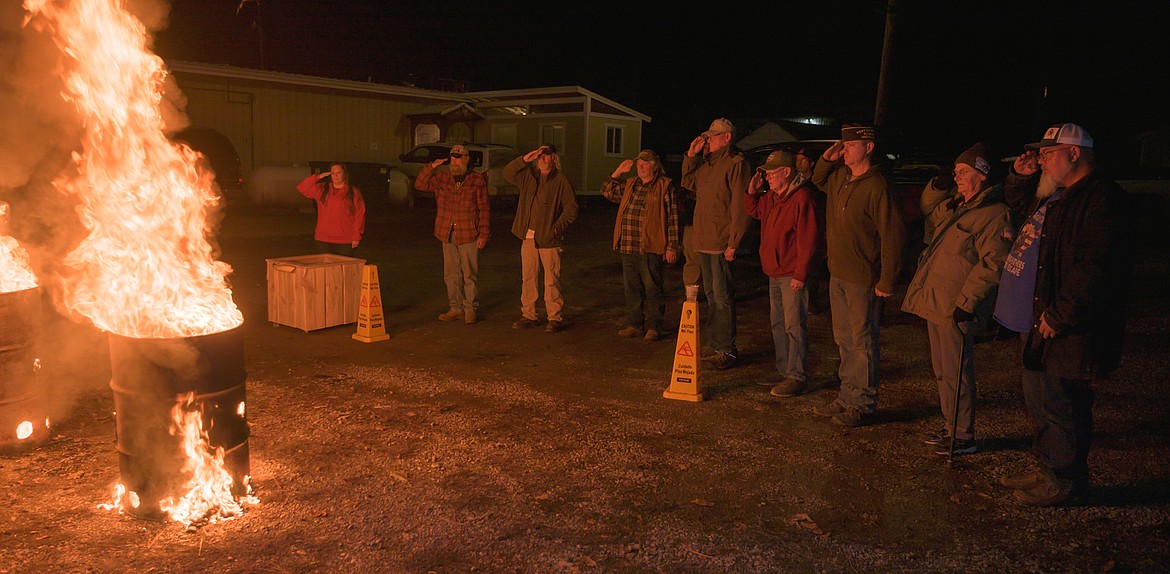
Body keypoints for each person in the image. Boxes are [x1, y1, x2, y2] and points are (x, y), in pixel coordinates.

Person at [992, 123, 1129, 506]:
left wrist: (1061, 313)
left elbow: (1095, 267)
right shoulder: (1059, 195)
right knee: (1040, 400)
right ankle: (1048, 467)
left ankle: (1065, 481)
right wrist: (1019, 179)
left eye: (1048, 153)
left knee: (1063, 403)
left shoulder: (1099, 200)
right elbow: (1023, 208)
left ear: (1074, 153)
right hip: (1039, 320)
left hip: (1063, 326)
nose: (1041, 160)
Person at [901, 143, 1012, 456]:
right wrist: (940, 185)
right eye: (956, 172)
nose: (957, 177)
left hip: (956, 306)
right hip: (938, 301)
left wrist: (968, 303)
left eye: (963, 172)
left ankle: (962, 435)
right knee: (942, 371)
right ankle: (951, 427)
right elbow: (927, 207)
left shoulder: (993, 213)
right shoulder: (959, 206)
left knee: (956, 372)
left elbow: (993, 263)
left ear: (982, 174)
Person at [811, 125, 907, 427]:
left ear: (869, 147)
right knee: (844, 339)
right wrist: (827, 159)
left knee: (862, 340)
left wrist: (887, 279)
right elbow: (818, 179)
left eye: (852, 144)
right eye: (844, 144)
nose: (845, 148)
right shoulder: (840, 177)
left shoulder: (877, 186)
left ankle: (862, 403)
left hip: (863, 276)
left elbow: (893, 235)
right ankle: (847, 395)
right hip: (838, 272)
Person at [744, 150, 822, 397]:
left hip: (791, 273)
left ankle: (796, 375)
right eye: (766, 173)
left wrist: (800, 274)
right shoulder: (772, 197)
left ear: (787, 172)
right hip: (774, 271)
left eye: (771, 173)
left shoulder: (802, 198)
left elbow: (808, 239)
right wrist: (752, 191)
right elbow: (754, 211)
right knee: (778, 324)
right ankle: (783, 370)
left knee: (793, 324)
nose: (767, 177)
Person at [681, 118, 751, 369]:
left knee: (722, 297)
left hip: (721, 241)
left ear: (727, 138)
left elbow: (740, 207)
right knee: (711, 296)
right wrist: (691, 156)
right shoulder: (708, 163)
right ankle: (715, 343)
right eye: (708, 137)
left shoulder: (736, 164)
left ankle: (727, 350)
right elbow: (688, 182)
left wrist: (733, 242)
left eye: (713, 137)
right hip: (705, 239)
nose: (708, 140)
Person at [600, 149, 681, 342]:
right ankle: (635, 324)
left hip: (651, 246)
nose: (641, 167)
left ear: (654, 165)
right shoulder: (631, 184)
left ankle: (654, 326)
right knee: (632, 288)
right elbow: (606, 191)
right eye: (639, 164)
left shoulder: (664, 185)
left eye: (645, 164)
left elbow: (673, 218)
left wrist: (672, 246)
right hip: (628, 245)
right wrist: (618, 172)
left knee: (652, 287)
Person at [503, 144, 579, 333]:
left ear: (554, 159)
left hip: (549, 239)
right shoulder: (528, 176)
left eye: (547, 157)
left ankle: (554, 317)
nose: (543, 160)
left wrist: (555, 229)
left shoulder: (560, 180)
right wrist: (523, 160)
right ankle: (529, 315)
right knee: (528, 277)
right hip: (528, 236)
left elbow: (571, 208)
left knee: (551, 279)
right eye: (540, 156)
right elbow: (507, 174)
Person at [414, 144, 490, 325]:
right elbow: (420, 184)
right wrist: (431, 166)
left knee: (469, 274)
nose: (455, 161)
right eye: (453, 157)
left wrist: (484, 234)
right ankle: (455, 308)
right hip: (446, 232)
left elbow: (484, 208)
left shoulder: (476, 180)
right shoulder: (442, 178)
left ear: (466, 159)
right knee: (451, 274)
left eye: (459, 157)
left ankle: (470, 308)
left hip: (468, 233)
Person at [296, 163, 366, 256]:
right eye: (333, 173)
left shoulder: (353, 192)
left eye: (339, 172)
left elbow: (360, 215)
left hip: (345, 240)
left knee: (342, 268)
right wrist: (318, 177)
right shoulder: (322, 189)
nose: (336, 176)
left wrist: (356, 236)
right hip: (323, 239)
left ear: (344, 174)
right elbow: (302, 188)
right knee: (325, 268)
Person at [796, 147, 829, 314]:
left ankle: (812, 300)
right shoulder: (796, 182)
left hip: (816, 225)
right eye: (797, 159)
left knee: (813, 263)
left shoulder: (817, 184)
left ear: (811, 162)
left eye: (803, 160)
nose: (798, 163)